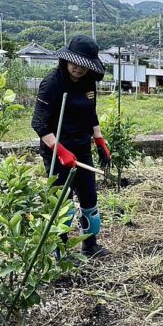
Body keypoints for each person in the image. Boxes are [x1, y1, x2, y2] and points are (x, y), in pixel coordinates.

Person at [31, 34, 112, 258]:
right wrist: (61, 151)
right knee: (62, 202)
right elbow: (38, 123)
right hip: (56, 150)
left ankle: (90, 244)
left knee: (89, 198)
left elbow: (90, 113)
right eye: (74, 63)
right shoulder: (52, 83)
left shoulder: (89, 83)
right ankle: (60, 250)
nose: (78, 68)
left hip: (81, 147)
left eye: (84, 65)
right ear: (66, 60)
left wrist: (99, 140)